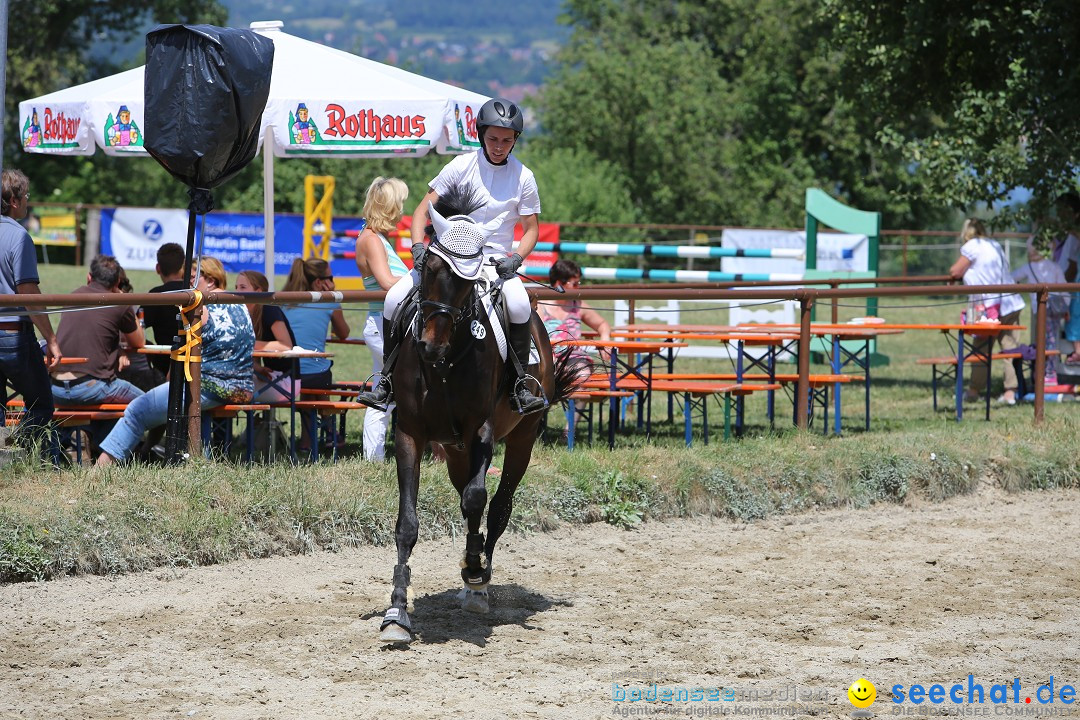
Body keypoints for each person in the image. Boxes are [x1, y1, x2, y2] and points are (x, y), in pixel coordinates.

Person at [361, 97, 546, 414]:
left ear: (515, 141)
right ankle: (387, 382)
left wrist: (516, 258)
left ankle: (519, 385)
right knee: (393, 299)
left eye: (506, 140)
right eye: (493, 139)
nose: (499, 146)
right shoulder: (460, 166)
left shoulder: (524, 178)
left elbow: (531, 229)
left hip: (493, 262)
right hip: (447, 255)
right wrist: (418, 247)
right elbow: (421, 213)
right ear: (481, 135)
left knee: (517, 304)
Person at [96, 257, 254, 466]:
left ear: (211, 280)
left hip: (208, 387)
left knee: (136, 410)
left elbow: (181, 359)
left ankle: (100, 470)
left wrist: (171, 380)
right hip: (243, 388)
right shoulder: (240, 305)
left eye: (191, 279)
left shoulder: (200, 310)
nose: (186, 285)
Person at [0, 169, 62, 462]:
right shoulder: (19, 236)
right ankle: (17, 456)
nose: (27, 202)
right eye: (25, 197)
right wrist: (51, 338)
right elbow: (28, 291)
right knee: (40, 405)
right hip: (12, 336)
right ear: (13, 200)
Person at [354, 176, 410, 461]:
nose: (402, 210)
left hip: (384, 325)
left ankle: (373, 458)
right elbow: (387, 282)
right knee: (402, 389)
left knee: (382, 395)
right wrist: (420, 279)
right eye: (399, 204)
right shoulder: (372, 240)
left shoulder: (374, 237)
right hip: (384, 327)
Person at [949, 218, 1026, 405]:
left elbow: (955, 271)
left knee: (980, 350)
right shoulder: (993, 244)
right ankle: (1010, 393)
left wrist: (954, 277)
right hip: (1010, 302)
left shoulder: (973, 245)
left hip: (989, 307)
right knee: (1009, 348)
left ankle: (974, 390)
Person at [281, 258, 350, 451]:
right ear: (319, 282)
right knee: (317, 377)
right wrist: (334, 297)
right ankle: (327, 430)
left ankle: (309, 440)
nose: (333, 281)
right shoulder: (329, 301)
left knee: (307, 386)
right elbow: (344, 333)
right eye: (330, 277)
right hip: (315, 375)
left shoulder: (283, 299)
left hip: (285, 374)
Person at [235, 270, 299, 402]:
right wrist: (258, 368)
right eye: (236, 287)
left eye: (243, 287)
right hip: (269, 377)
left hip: (287, 382)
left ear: (258, 292)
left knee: (227, 387)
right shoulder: (244, 314)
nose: (237, 291)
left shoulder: (269, 310)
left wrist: (250, 343)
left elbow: (286, 345)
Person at [1012, 237, 1068, 381]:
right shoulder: (1054, 266)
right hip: (1056, 309)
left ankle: (1049, 373)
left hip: (1041, 308)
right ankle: (1051, 370)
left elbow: (1012, 277)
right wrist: (1065, 307)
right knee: (1052, 339)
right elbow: (1064, 288)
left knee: (1045, 340)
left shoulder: (1028, 267)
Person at [538, 259, 612, 354]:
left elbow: (602, 324)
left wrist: (605, 340)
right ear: (559, 284)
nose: (578, 287)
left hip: (574, 357)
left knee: (582, 368)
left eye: (579, 283)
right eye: (575, 284)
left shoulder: (577, 304)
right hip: (548, 359)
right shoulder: (539, 306)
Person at [142, 242, 187, 376]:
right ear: (184, 267)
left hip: (163, 366)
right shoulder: (195, 293)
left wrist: (149, 346)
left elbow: (133, 327)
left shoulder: (156, 295)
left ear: (158, 268)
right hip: (196, 362)